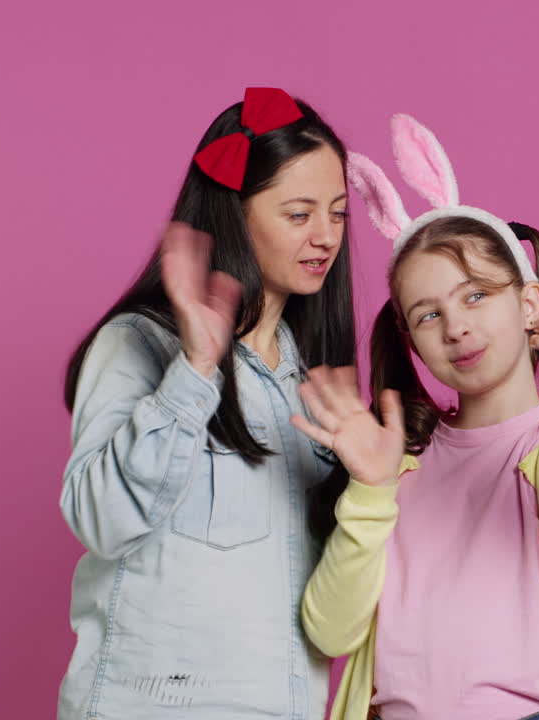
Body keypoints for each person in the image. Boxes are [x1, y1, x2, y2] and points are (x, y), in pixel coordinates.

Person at [295, 114, 539, 720]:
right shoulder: (394, 466)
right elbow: (330, 633)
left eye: (477, 295)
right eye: (428, 315)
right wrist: (370, 491)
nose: (456, 326)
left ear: (531, 303)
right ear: (409, 337)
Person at [59, 87, 355, 719]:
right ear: (234, 215)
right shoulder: (139, 344)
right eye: (299, 214)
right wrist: (195, 369)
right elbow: (101, 520)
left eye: (338, 212)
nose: (326, 236)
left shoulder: (318, 380)